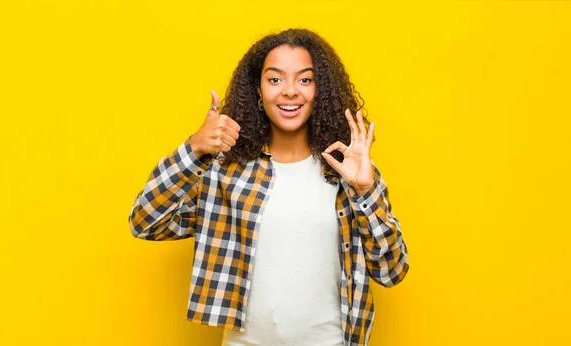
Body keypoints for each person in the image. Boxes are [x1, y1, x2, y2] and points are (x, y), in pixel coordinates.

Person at [128, 28, 409, 346]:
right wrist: (193, 149)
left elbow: (392, 270)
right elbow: (144, 222)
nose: (290, 91)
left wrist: (366, 190)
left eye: (305, 79)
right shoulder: (226, 173)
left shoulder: (348, 171)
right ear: (258, 92)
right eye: (275, 79)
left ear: (320, 90)